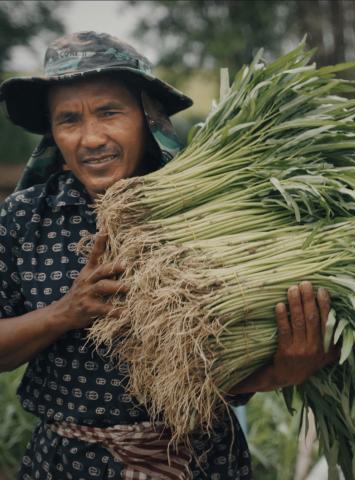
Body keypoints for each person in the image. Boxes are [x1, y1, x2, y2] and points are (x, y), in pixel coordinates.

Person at [0, 31, 337, 480]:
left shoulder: (214, 211)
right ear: (53, 133)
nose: (91, 138)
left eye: (109, 112)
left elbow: (222, 369)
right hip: (66, 465)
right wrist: (66, 312)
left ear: (148, 117)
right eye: (68, 120)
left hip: (197, 463)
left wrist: (281, 370)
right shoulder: (25, 219)